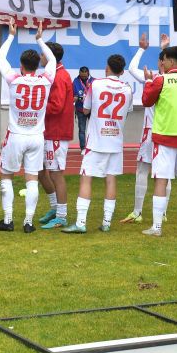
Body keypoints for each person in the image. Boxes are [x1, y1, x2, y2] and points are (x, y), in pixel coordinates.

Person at [0, 22, 56, 233]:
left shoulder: (14, 79)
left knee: (7, 176)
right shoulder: (45, 80)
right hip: (37, 136)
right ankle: (28, 222)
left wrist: (11, 36)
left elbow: (0, 58)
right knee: (32, 179)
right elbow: (53, 60)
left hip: (16, 135)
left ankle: (8, 219)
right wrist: (40, 38)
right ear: (38, 64)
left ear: (21, 65)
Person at [62, 54, 134, 234]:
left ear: (107, 68)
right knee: (111, 179)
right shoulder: (127, 88)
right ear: (122, 71)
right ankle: (107, 222)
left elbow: (85, 109)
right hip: (115, 141)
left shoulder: (95, 84)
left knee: (86, 177)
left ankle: (80, 222)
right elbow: (128, 112)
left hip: (96, 140)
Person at [140, 42, 177, 236]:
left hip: (165, 136)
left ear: (170, 60)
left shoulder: (161, 80)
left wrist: (148, 81)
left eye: (163, 59)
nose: (161, 63)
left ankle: (157, 227)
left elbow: (146, 101)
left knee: (161, 181)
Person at [120, 33, 172, 224]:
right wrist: (165, 48)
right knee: (166, 173)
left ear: (161, 63)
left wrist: (142, 48)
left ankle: (138, 212)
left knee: (142, 170)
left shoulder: (153, 78)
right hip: (170, 131)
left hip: (152, 131)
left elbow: (132, 68)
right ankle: (163, 213)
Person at [37, 40, 74, 229]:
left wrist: (37, 106)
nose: (40, 57)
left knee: (56, 174)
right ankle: (54, 207)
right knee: (41, 171)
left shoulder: (59, 76)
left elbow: (57, 106)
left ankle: (62, 215)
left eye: (42, 54)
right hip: (48, 131)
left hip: (56, 133)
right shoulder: (55, 74)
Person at [73, 66, 93, 151]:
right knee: (82, 129)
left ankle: (93, 146)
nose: (84, 78)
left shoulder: (94, 81)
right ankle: (83, 148)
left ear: (88, 73)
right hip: (80, 109)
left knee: (94, 129)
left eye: (85, 76)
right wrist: (75, 98)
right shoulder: (75, 81)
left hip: (92, 109)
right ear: (79, 74)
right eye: (82, 76)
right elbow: (72, 95)